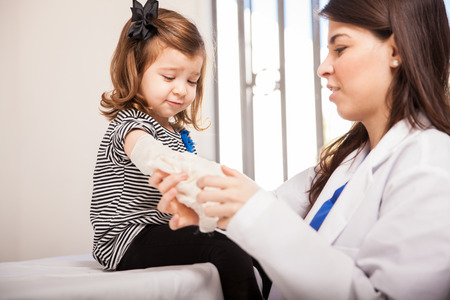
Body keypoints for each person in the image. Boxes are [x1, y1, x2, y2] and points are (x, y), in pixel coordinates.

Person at [149, 0, 450, 299]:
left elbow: (263, 216)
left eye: (340, 48)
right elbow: (270, 210)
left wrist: (249, 211)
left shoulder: (430, 163)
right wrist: (206, 204)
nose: (323, 67)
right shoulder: (349, 161)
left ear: (395, 51)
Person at [90, 1, 266, 299]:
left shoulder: (176, 132)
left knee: (254, 243)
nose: (182, 89)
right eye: (169, 77)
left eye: (192, 80)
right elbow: (151, 156)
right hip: (126, 238)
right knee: (223, 247)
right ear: (136, 70)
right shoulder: (132, 125)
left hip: (159, 227)